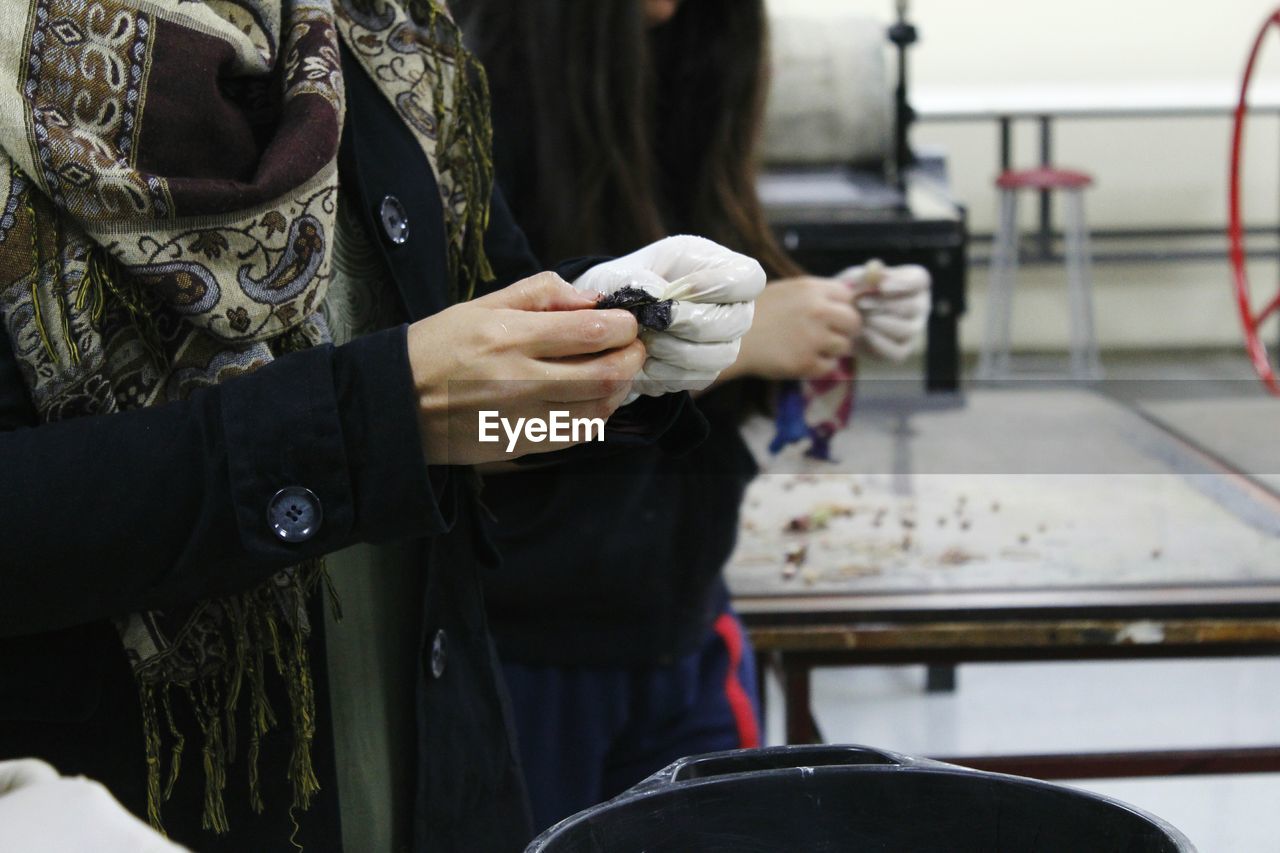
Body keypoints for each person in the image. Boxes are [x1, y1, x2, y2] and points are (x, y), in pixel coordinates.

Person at [0, 2, 763, 851]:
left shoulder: (370, 36)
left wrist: (605, 343)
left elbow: (467, 426)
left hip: (434, 783)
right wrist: (375, 417)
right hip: (141, 800)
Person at [458, 0, 932, 833]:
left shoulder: (696, 52)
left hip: (684, 622)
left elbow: (712, 327)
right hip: (522, 651)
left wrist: (829, 315)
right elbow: (476, 435)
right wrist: (737, 343)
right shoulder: (464, 92)